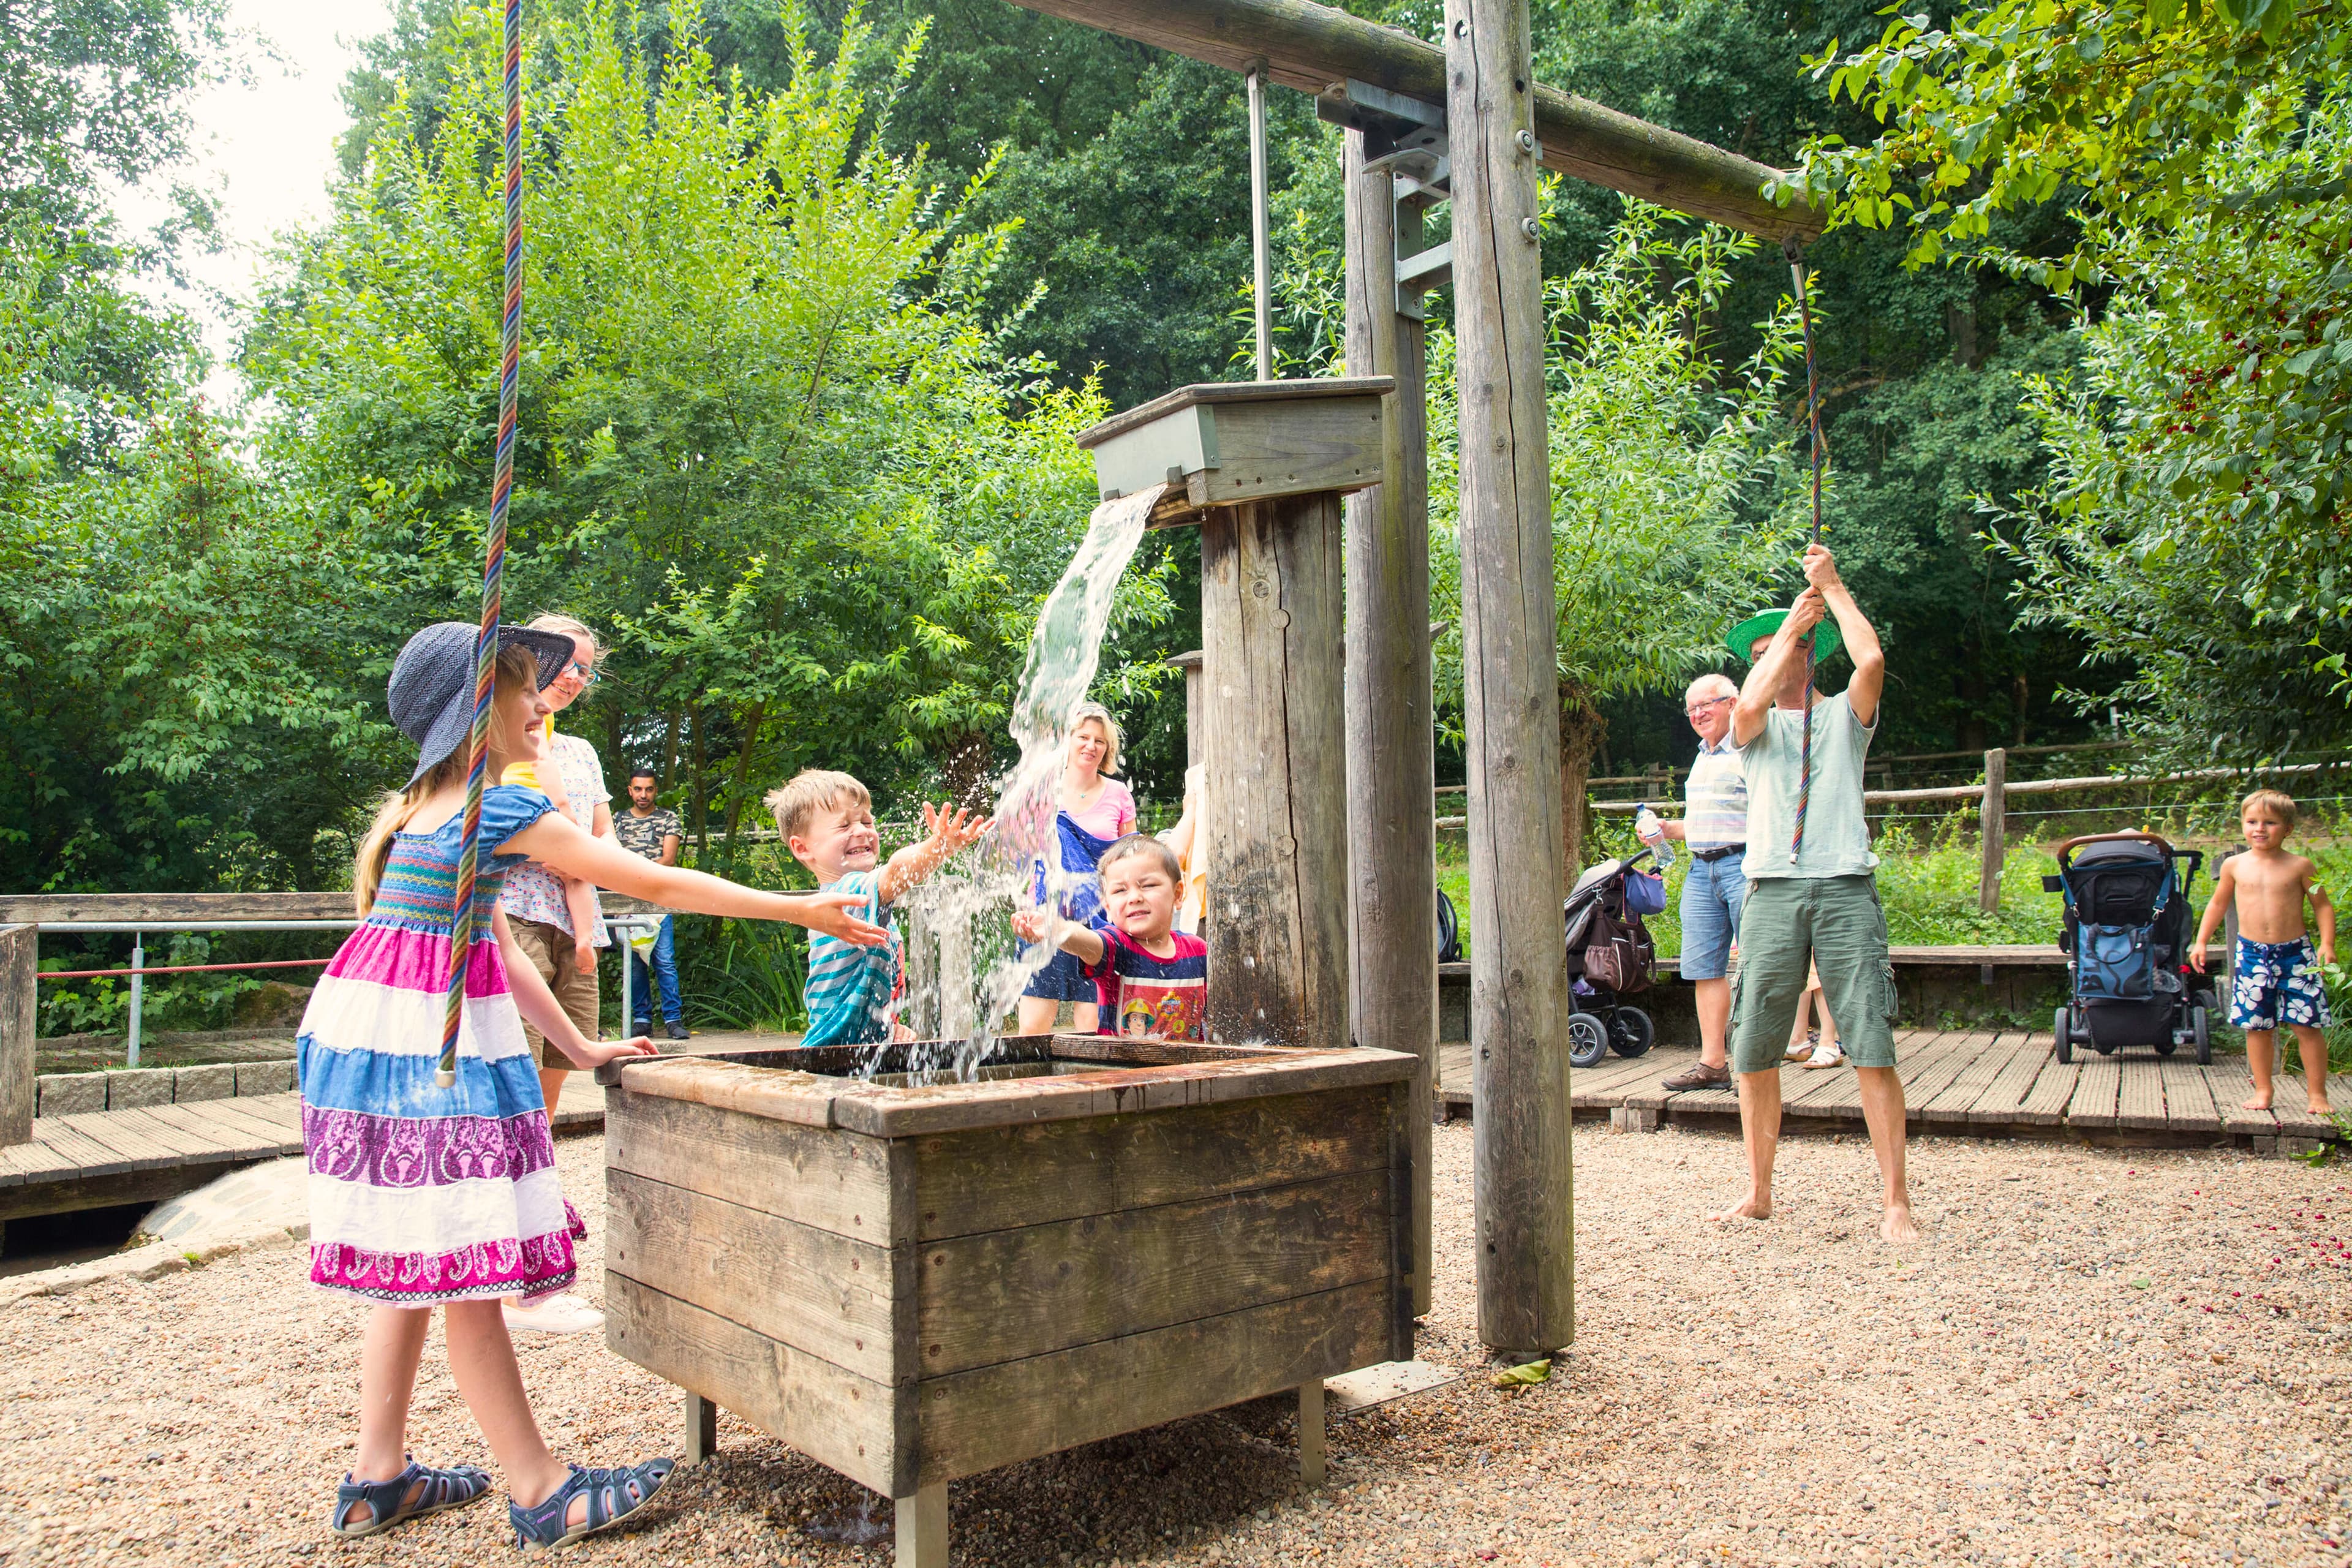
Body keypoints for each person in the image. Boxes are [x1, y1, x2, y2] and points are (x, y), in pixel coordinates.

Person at [305, 621, 885, 1548]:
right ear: (476, 711)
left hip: (368, 1033)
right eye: (522, 686)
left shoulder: (423, 810)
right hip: (422, 1043)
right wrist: (798, 908)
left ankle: (378, 1475)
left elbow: (491, 944)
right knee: (466, 1263)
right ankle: (541, 1490)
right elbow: (653, 883)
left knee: (417, 1251)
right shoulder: (498, 807)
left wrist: (577, 1045)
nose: (541, 701)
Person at [1708, 543, 1918, 1244]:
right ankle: (1758, 1192)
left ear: (1813, 656)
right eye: (1760, 652)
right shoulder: (1752, 726)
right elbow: (1749, 699)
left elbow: (1873, 660)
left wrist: (1831, 587)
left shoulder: (1843, 716)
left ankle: (1895, 1202)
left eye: (1790, 646)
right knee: (1752, 1048)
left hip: (1844, 887)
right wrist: (1790, 631)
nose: (1773, 657)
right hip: (1771, 890)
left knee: (1872, 1042)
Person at [492, 613, 616, 1335]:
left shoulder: (579, 750)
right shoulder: (504, 737)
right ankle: (513, 1277)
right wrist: (565, 850)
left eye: (586, 668)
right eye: (566, 661)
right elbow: (526, 838)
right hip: (516, 917)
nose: (575, 676)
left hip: (576, 925)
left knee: (545, 1100)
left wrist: (586, 886)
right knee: (512, 1091)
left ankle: (531, 1265)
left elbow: (596, 839)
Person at [769, 769, 991, 1049]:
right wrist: (938, 847)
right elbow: (897, 871)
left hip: (850, 1047)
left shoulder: (857, 899)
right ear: (803, 848)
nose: (862, 831)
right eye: (843, 826)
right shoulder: (848, 894)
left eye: (866, 821)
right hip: (834, 1050)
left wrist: (888, 1027)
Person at [2191, 790, 2336, 1112]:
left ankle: (2317, 1095)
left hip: (2297, 956)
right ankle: (2263, 1090)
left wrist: (2327, 944)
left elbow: (2323, 906)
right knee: (2257, 1026)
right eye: (2252, 821)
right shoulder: (2234, 865)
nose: (2260, 828)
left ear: (2288, 829)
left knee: (2307, 1025)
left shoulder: (2301, 866)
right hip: (2252, 955)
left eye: (2270, 823)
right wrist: (2201, 941)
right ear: (2243, 825)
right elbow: (2218, 904)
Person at [1646, 673, 1754, 1090]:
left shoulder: (1751, 747)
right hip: (1701, 869)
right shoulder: (1703, 756)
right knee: (1704, 969)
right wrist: (1665, 830)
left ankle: (1756, 1067)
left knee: (1759, 965)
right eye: (1691, 708)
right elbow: (1701, 822)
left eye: (1706, 704)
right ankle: (1713, 1064)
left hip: (1744, 864)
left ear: (1733, 703)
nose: (1698, 714)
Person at [1014, 702, 1137, 1035]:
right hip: (1044, 917)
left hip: (1099, 923)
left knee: (1094, 1028)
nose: (1091, 746)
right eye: (1083, 737)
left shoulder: (1118, 794)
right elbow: (1022, 857)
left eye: (1099, 741)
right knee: (1033, 1031)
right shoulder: (1041, 792)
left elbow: (1131, 859)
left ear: (1107, 749)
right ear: (1067, 741)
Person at [1013, 834, 1207, 1041]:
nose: (1135, 898)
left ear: (1178, 894)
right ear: (1107, 906)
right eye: (1120, 890)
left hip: (1189, 1062)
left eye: (1148, 885)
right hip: (1122, 1063)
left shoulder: (1197, 951)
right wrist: (1054, 929)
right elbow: (1088, 942)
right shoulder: (1118, 948)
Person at [613, 767, 687, 1040]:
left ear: (656, 790)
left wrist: (636, 876)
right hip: (627, 901)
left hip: (659, 899)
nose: (643, 794)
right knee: (634, 962)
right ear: (630, 790)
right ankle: (642, 1020)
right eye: (638, 789)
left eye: (649, 789)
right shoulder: (618, 820)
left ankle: (673, 1020)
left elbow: (668, 858)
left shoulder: (669, 819)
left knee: (664, 961)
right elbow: (609, 857)